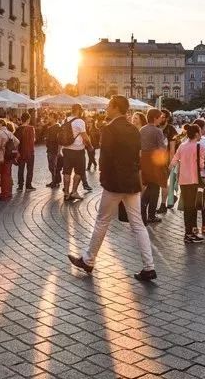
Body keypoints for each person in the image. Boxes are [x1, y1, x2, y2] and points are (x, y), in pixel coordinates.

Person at [67, 96, 156, 281]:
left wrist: (102, 175)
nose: (106, 109)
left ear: (116, 108)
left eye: (108, 106)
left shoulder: (108, 129)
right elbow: (138, 155)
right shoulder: (134, 129)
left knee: (102, 220)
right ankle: (149, 267)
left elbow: (105, 156)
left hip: (114, 182)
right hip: (132, 182)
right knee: (138, 224)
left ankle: (88, 260)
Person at [170, 123, 205, 243]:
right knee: (193, 207)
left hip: (183, 180)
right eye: (200, 132)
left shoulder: (182, 145)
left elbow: (174, 160)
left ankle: (189, 232)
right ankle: (190, 234)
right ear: (196, 134)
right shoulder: (199, 146)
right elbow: (201, 165)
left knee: (187, 207)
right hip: (194, 180)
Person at [139, 109, 167, 224]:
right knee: (154, 187)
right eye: (160, 117)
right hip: (154, 161)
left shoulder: (142, 129)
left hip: (144, 160)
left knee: (151, 186)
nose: (161, 118)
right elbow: (162, 149)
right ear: (155, 118)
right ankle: (148, 213)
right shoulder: (157, 131)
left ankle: (146, 213)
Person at [61, 104, 90, 202]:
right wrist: (90, 146)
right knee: (79, 172)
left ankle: (66, 194)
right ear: (78, 110)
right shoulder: (80, 121)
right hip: (78, 151)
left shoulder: (65, 120)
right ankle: (74, 192)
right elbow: (85, 137)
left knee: (66, 172)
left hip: (66, 149)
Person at [0, 118, 19, 201]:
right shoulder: (9, 133)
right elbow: (17, 142)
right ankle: (4, 195)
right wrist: (8, 148)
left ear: (1, 124)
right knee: (5, 177)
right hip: (8, 158)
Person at [14, 112, 37, 191]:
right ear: (28, 119)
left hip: (21, 152)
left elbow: (15, 141)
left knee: (21, 169)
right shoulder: (31, 128)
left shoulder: (18, 129)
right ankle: (28, 186)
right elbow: (34, 140)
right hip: (30, 151)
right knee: (30, 169)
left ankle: (20, 186)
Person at [44, 117, 62, 188]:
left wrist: (59, 150)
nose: (48, 119)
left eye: (50, 117)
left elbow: (59, 140)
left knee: (53, 167)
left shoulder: (57, 127)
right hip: (50, 149)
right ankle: (56, 181)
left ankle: (55, 182)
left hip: (53, 150)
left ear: (54, 118)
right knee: (53, 167)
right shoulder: (51, 128)